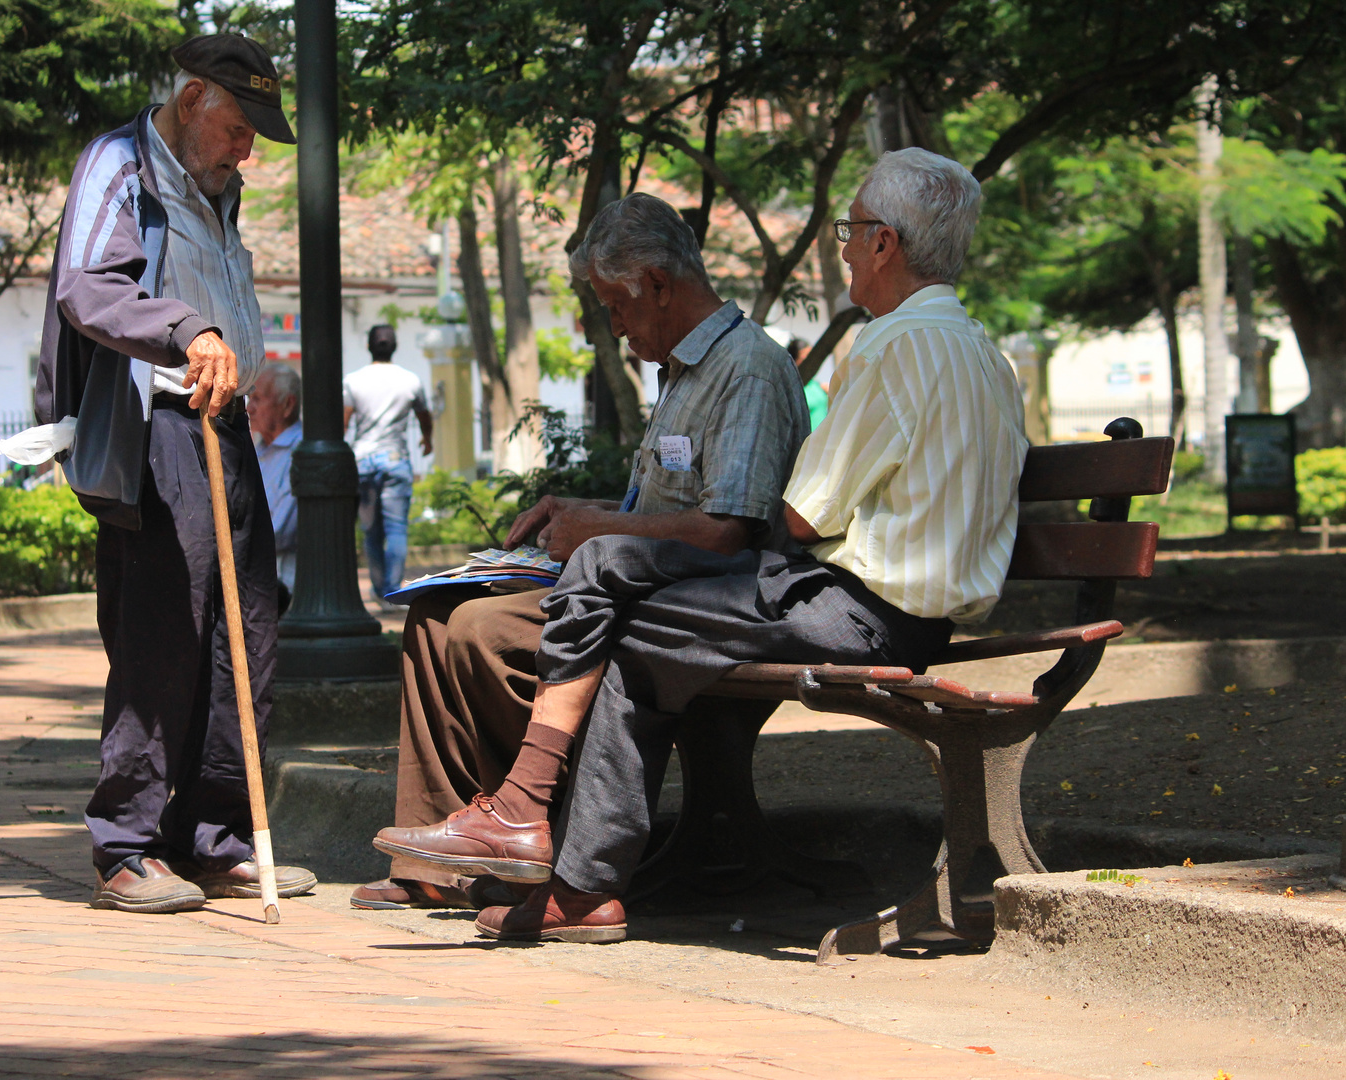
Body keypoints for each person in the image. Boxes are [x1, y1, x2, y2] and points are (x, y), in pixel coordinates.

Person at [380, 148, 1029, 944]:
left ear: (887, 243)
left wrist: (635, 544)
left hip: (864, 611)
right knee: (629, 619)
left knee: (617, 590)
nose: (846, 248)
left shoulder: (892, 347)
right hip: (902, 608)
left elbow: (796, 518)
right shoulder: (985, 355)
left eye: (852, 232)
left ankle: (550, 846)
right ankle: (562, 865)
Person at [354, 192, 810, 911]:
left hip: (684, 603)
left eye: (615, 306)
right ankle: (439, 864)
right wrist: (584, 513)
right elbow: (669, 509)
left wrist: (600, 534)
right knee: (438, 614)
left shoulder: (745, 370)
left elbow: (727, 532)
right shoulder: (684, 372)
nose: (616, 326)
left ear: (658, 284)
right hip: (628, 583)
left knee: (480, 633)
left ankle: (530, 835)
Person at [32, 33, 315, 914]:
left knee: (247, 628)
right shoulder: (120, 164)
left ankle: (216, 834)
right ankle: (127, 844)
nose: (247, 150)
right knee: (164, 630)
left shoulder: (216, 187)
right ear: (194, 100)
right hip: (152, 423)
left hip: (221, 422)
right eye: (238, 128)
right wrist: (186, 330)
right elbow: (87, 286)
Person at [343, 325, 432, 605]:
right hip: (396, 460)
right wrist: (427, 439)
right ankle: (393, 590)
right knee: (396, 530)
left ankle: (379, 589)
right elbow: (424, 415)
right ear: (395, 347)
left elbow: (344, 422)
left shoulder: (353, 381)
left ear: (369, 346)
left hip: (363, 462)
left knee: (371, 532)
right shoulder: (410, 380)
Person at [248, 362, 302, 596]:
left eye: (258, 399)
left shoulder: (300, 452)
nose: (249, 408)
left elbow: (278, 532)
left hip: (282, 587)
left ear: (287, 405)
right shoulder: (258, 451)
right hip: (254, 579)